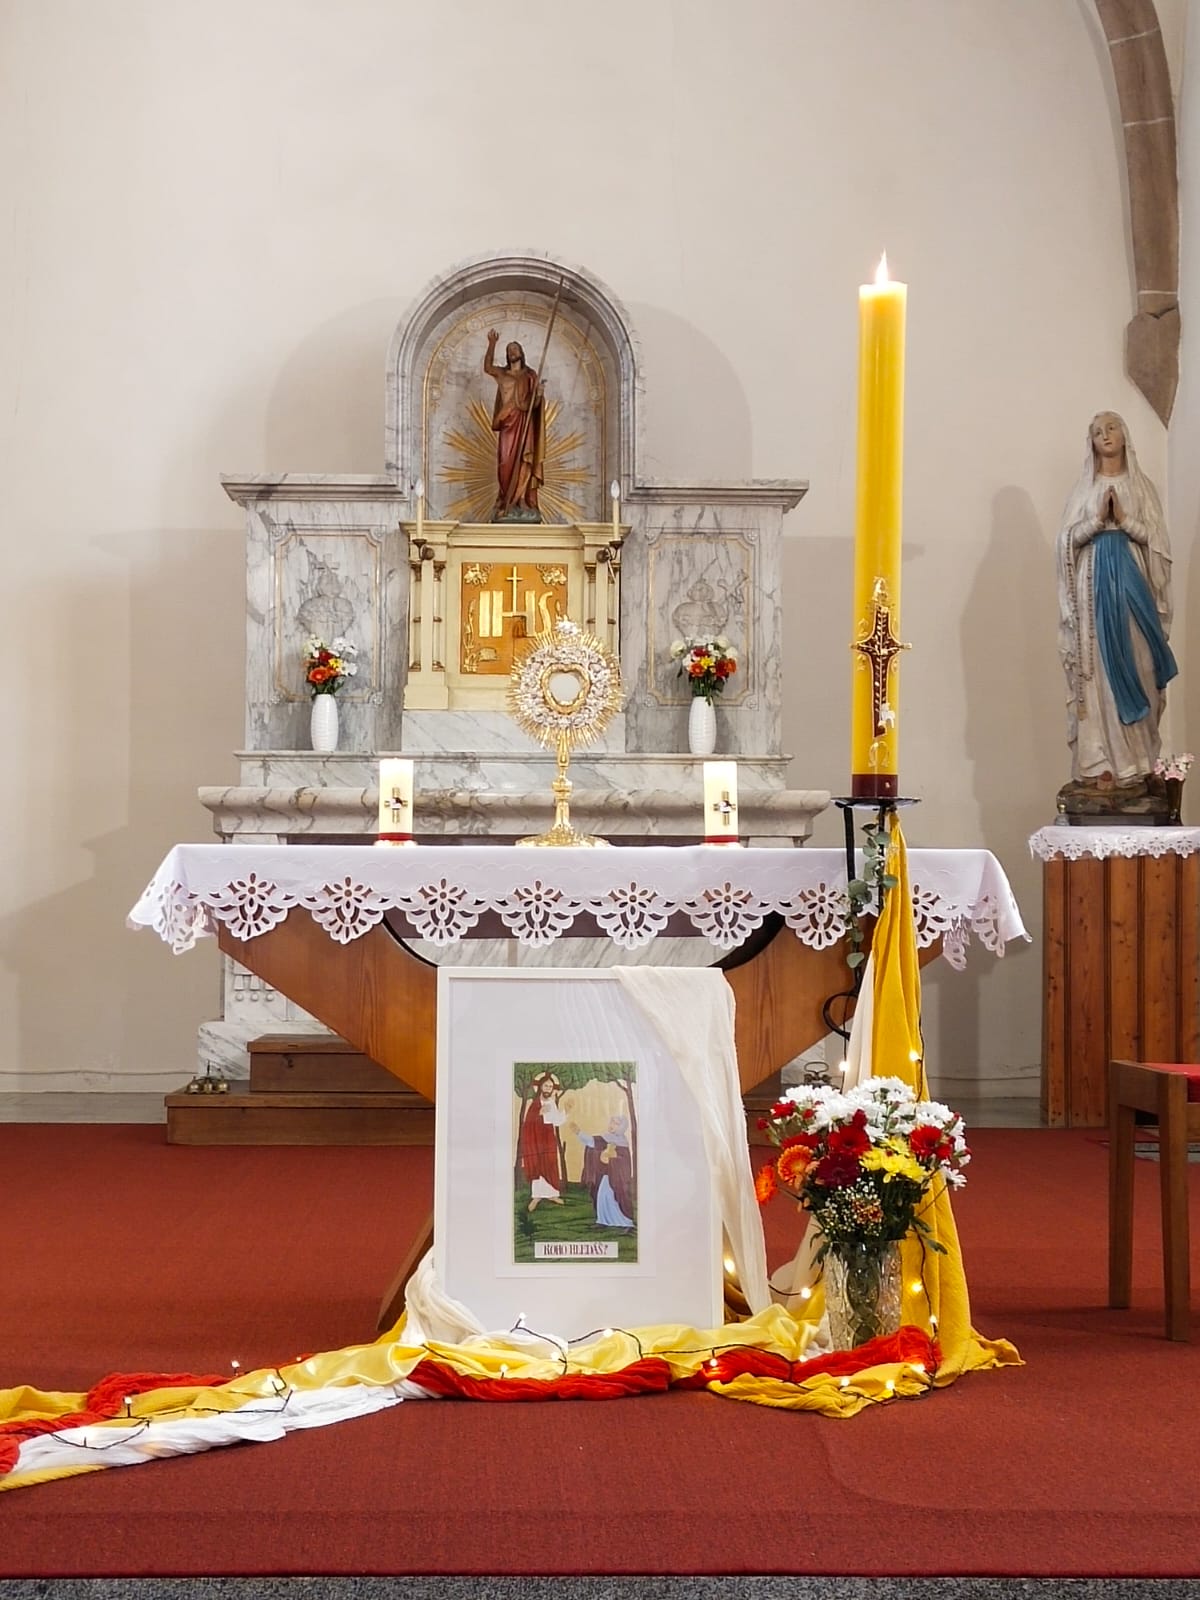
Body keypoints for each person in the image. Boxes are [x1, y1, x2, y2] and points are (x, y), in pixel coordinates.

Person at [1056, 411, 1176, 791]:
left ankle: (1141, 760)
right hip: (1093, 592)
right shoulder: (1084, 489)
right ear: (1091, 443)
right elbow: (1065, 543)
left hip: (1133, 586)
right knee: (1099, 674)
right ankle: (1102, 763)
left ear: (1124, 435)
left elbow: (1159, 545)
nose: (1104, 435)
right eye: (1096, 432)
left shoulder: (1141, 488)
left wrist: (1123, 519)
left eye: (1111, 428)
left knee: (1141, 664)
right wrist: (1095, 521)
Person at [484, 331, 545, 521]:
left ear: (521, 353)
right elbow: (487, 367)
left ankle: (521, 501)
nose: (512, 352)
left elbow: (534, 405)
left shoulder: (530, 375)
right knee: (505, 463)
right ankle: (506, 500)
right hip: (507, 423)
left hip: (525, 424)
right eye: (509, 349)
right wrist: (492, 343)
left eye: (515, 349)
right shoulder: (502, 374)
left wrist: (539, 394)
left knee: (524, 461)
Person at [573, 1114, 635, 1229]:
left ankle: (626, 1223)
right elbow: (592, 1142)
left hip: (617, 1179)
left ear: (622, 1127)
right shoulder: (606, 1138)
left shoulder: (623, 1143)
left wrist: (613, 1159)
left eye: (616, 1124)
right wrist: (579, 1133)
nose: (612, 1125)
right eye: (612, 1122)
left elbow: (624, 1163)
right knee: (602, 1195)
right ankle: (603, 1221)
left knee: (616, 1197)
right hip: (607, 1176)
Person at [518, 1071, 566, 1211]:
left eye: (550, 1087)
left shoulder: (551, 1102)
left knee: (550, 1163)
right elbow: (528, 1123)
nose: (548, 1089)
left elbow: (557, 1121)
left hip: (548, 1138)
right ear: (540, 1087)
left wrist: (566, 1112)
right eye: (546, 1086)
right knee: (537, 1164)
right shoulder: (534, 1104)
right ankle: (537, 1196)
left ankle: (552, 1194)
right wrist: (539, 1114)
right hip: (536, 1139)